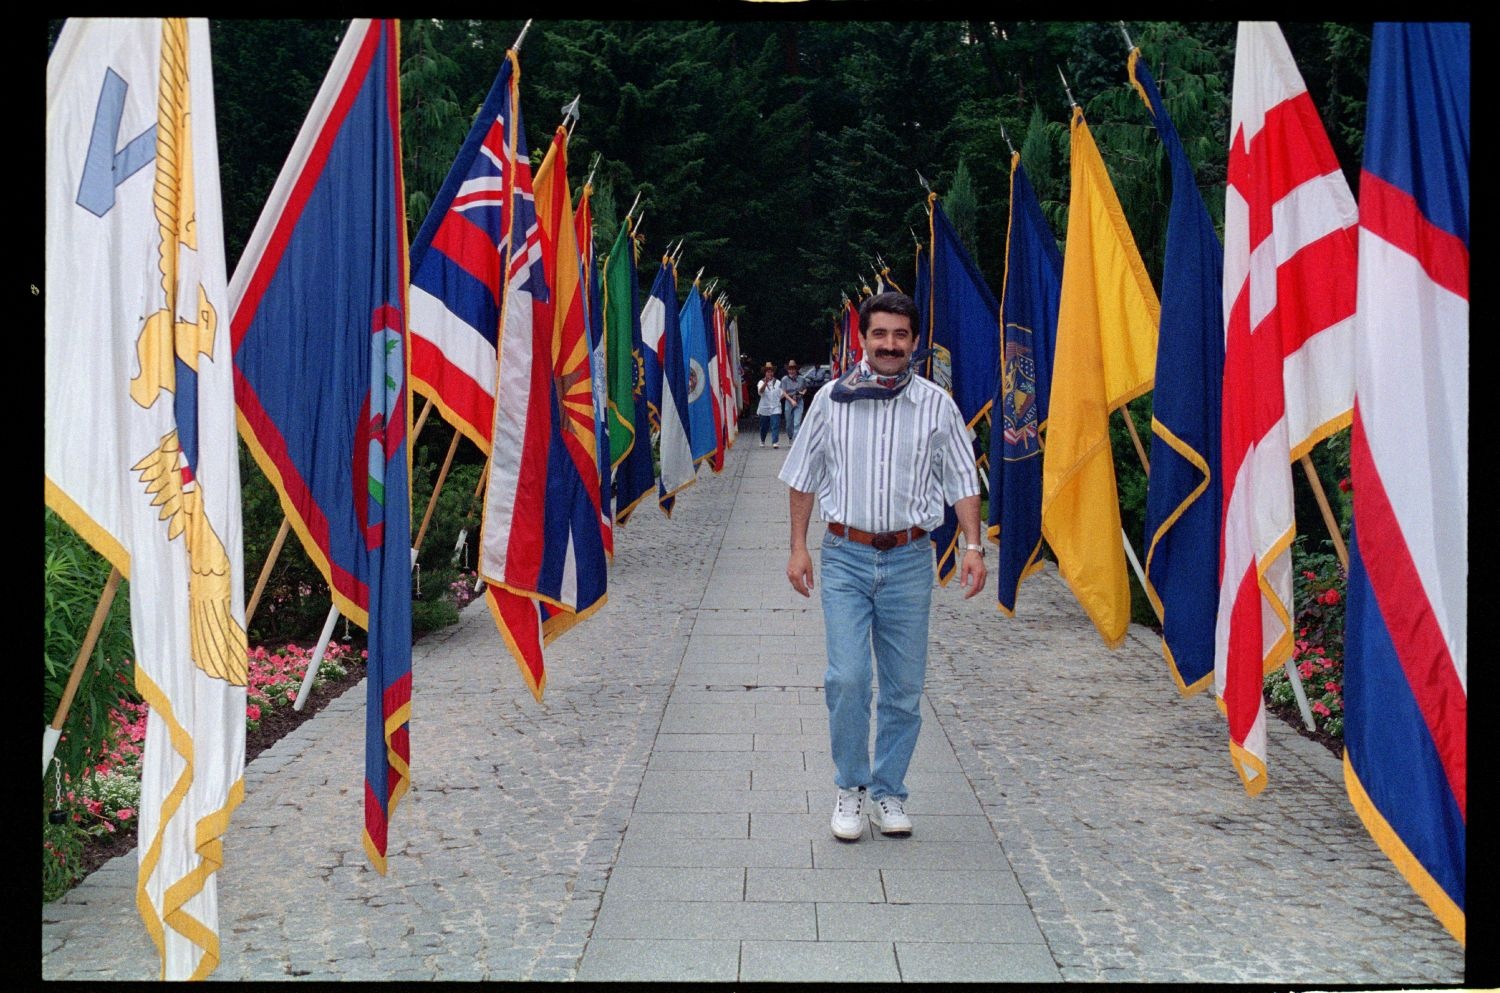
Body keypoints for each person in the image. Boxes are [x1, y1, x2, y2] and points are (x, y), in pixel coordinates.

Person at [778, 291, 986, 842]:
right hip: (845, 555)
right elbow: (804, 476)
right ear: (863, 340)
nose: (890, 345)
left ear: (914, 342)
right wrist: (798, 546)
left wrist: (972, 546)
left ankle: (890, 791)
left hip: (911, 561)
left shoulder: (937, 406)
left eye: (900, 336)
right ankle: (851, 787)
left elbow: (963, 480)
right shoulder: (829, 400)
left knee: (902, 688)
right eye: (880, 335)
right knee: (848, 678)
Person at [756, 361, 785, 448]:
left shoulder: (778, 382)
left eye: (771, 371)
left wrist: (778, 400)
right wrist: (766, 383)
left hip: (775, 407)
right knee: (764, 427)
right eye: (768, 371)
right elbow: (760, 391)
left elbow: (783, 393)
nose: (770, 373)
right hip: (764, 408)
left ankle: (775, 442)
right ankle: (762, 440)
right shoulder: (761, 382)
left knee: (775, 424)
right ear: (765, 373)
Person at [780, 360, 806, 442]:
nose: (791, 371)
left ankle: (796, 441)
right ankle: (790, 436)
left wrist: (802, 393)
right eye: (790, 369)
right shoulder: (784, 379)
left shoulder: (801, 379)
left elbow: (805, 388)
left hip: (799, 400)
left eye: (793, 369)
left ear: (796, 370)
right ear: (787, 370)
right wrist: (791, 401)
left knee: (797, 422)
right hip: (789, 401)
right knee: (788, 423)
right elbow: (784, 392)